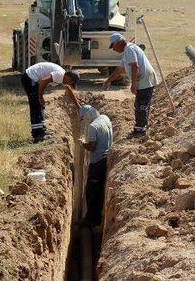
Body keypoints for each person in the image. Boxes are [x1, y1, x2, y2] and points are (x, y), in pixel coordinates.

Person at [65, 85, 112, 226]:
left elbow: (91, 147)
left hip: (97, 162)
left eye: (83, 119)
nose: (83, 122)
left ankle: (91, 221)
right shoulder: (104, 118)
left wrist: (82, 144)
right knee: (97, 192)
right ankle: (94, 220)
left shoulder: (93, 127)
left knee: (92, 193)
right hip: (106, 159)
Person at [104, 32, 157, 135]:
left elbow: (134, 66)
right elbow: (119, 70)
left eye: (113, 46)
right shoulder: (126, 52)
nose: (113, 49)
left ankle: (140, 130)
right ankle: (139, 127)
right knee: (139, 103)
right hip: (143, 78)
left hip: (144, 78)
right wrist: (108, 81)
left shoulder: (129, 49)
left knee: (142, 103)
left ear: (118, 43)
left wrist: (133, 84)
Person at [21, 62, 80, 143]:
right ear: (69, 78)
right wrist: (40, 97)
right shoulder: (59, 75)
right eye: (71, 83)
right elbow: (43, 81)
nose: (69, 84)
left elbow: (69, 91)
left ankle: (42, 131)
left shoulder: (63, 76)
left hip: (32, 79)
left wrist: (78, 106)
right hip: (29, 78)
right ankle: (37, 135)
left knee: (39, 105)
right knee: (35, 104)